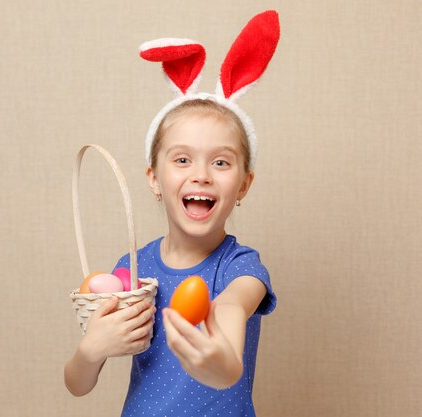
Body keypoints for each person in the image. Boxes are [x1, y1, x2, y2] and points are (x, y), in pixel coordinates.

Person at [65, 10, 280, 416]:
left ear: (243, 186)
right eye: (182, 160)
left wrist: (223, 364)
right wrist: (91, 350)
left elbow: (232, 306)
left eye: (221, 163)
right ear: (153, 178)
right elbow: (77, 385)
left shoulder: (240, 267)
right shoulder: (133, 268)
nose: (201, 175)